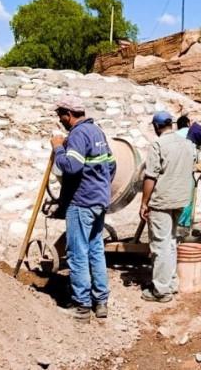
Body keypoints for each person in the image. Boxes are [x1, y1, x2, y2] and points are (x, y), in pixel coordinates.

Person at [50, 95, 116, 322]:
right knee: (95, 250)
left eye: (61, 116)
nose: (60, 121)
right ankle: (101, 303)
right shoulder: (97, 132)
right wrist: (101, 185)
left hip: (82, 202)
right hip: (99, 200)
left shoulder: (77, 134)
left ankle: (82, 307)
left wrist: (58, 148)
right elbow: (112, 165)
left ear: (69, 115)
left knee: (77, 253)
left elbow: (71, 166)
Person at [138, 111, 196, 303]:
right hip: (181, 200)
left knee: (160, 245)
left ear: (156, 126)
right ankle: (170, 283)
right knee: (171, 242)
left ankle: (161, 291)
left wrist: (144, 202)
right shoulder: (189, 144)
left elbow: (151, 176)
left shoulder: (158, 144)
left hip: (162, 201)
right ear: (171, 124)